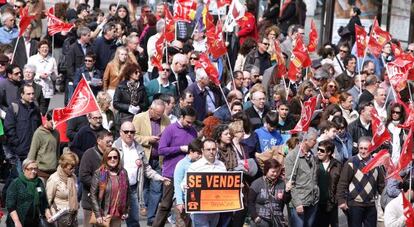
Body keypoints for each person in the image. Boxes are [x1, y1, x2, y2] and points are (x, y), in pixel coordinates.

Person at [112, 121, 170, 227]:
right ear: (120, 132)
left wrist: (160, 177)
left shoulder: (139, 149)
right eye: (126, 131)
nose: (129, 134)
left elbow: (147, 169)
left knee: (133, 220)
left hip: (133, 189)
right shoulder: (114, 148)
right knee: (114, 220)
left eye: (132, 132)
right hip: (116, 189)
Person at [153, 106, 198, 227]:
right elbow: (161, 150)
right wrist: (180, 149)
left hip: (189, 173)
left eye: (192, 122)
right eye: (188, 121)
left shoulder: (193, 130)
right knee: (166, 204)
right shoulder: (170, 129)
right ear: (181, 117)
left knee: (187, 204)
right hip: (171, 172)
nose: (190, 124)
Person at [132, 99, 170, 225]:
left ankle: (151, 217)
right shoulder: (139, 118)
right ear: (151, 109)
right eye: (158, 113)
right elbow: (133, 136)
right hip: (144, 157)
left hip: (159, 158)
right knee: (144, 187)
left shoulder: (166, 119)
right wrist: (149, 139)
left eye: (162, 113)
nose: (160, 116)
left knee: (157, 188)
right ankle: (146, 208)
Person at [336, 137, 385, 227]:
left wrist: (387, 201)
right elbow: (342, 183)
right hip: (354, 204)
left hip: (370, 204)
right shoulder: (351, 162)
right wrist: (341, 201)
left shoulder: (377, 164)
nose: (362, 151)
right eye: (360, 148)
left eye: (365, 149)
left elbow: (381, 185)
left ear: (371, 149)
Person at [186, 139, 227, 226]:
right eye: (208, 149)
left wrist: (236, 188)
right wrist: (185, 187)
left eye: (213, 149)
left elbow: (226, 185)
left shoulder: (221, 165)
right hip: (199, 211)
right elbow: (184, 184)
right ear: (202, 150)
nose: (211, 152)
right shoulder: (194, 167)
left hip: (216, 208)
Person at [284, 128, 319, 227]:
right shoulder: (292, 157)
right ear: (305, 140)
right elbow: (290, 182)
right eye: (314, 140)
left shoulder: (312, 156)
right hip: (299, 202)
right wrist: (297, 203)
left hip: (312, 200)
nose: (316, 142)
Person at [79, 130, 114, 227]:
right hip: (90, 202)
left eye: (112, 141)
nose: (110, 144)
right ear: (99, 141)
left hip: (106, 203)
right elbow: (83, 176)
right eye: (108, 142)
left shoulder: (113, 155)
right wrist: (101, 185)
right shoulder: (89, 154)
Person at [90, 148, 130, 227]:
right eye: (109, 157)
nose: (113, 159)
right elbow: (93, 195)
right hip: (103, 214)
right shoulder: (99, 173)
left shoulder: (123, 172)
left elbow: (128, 193)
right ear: (105, 159)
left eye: (115, 157)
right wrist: (98, 214)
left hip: (117, 214)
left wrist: (125, 211)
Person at [6, 159, 52, 226]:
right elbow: (10, 205)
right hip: (19, 221)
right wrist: (17, 221)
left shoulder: (39, 182)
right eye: (30, 169)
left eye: (35, 169)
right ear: (24, 169)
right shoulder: (16, 183)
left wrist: (48, 213)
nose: (33, 171)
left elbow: (44, 202)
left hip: (35, 221)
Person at [248, 159, 291, 226]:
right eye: (273, 172)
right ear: (266, 170)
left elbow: (286, 201)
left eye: (277, 171)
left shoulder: (282, 183)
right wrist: (255, 217)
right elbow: (250, 202)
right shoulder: (256, 184)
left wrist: (287, 191)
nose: (275, 174)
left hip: (277, 219)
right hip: (261, 219)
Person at [173, 139, 203, 227]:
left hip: (194, 200)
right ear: (191, 151)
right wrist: (179, 201)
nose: (200, 156)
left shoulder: (200, 163)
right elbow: (177, 184)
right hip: (182, 200)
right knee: (182, 224)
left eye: (201, 153)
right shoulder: (182, 164)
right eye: (198, 153)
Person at [46, 152, 79, 227]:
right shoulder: (54, 179)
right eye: (71, 168)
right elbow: (47, 199)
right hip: (59, 217)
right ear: (64, 166)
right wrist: (47, 213)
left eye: (75, 167)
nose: (73, 170)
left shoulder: (73, 177)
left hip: (72, 216)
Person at [314, 140, 342, 227]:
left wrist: (337, 199)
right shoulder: (314, 163)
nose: (319, 152)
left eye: (322, 150)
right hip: (316, 203)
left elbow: (341, 184)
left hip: (331, 203)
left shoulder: (337, 165)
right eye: (318, 149)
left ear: (329, 152)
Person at [27, 110, 60, 182]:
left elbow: (57, 151)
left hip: (53, 172)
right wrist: (30, 170)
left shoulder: (56, 133)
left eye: (56, 123)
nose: (54, 126)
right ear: (47, 120)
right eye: (52, 123)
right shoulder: (38, 133)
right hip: (41, 172)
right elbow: (32, 152)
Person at [113, 63, 148, 128]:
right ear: (129, 73)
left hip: (138, 116)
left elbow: (145, 103)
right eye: (136, 72)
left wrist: (139, 107)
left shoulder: (141, 87)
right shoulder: (121, 86)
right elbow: (115, 103)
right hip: (124, 116)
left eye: (139, 72)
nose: (138, 74)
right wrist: (128, 107)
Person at [27, 39, 58, 113]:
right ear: (38, 49)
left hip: (47, 89)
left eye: (46, 47)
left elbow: (55, 77)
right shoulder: (32, 59)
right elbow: (28, 74)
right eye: (43, 47)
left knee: (43, 111)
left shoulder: (52, 60)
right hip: (35, 88)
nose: (45, 49)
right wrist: (39, 76)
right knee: (33, 110)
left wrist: (53, 73)